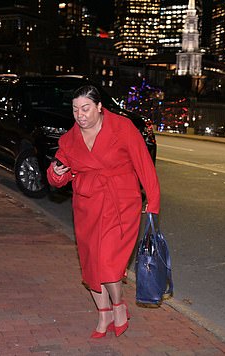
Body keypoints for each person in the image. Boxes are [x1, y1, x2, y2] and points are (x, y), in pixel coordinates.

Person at [46, 85, 160, 339]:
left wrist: (152, 204)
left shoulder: (122, 128)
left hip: (121, 202)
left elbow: (144, 165)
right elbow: (57, 175)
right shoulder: (70, 139)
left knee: (108, 262)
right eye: (75, 109)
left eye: (85, 108)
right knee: (90, 265)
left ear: (99, 107)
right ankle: (103, 312)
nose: (80, 115)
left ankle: (119, 306)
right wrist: (56, 174)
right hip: (87, 205)